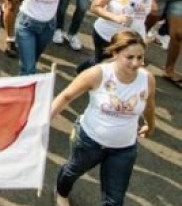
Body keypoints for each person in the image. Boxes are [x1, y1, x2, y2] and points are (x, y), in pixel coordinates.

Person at [51, 31, 156, 206]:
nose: (136, 63)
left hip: (125, 149)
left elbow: (150, 105)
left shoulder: (147, 79)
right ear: (115, 53)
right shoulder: (97, 74)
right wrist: (46, 119)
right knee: (72, 171)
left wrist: (151, 125)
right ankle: (61, 193)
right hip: (89, 142)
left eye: (140, 57)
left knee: (115, 201)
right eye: (129, 57)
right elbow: (66, 96)